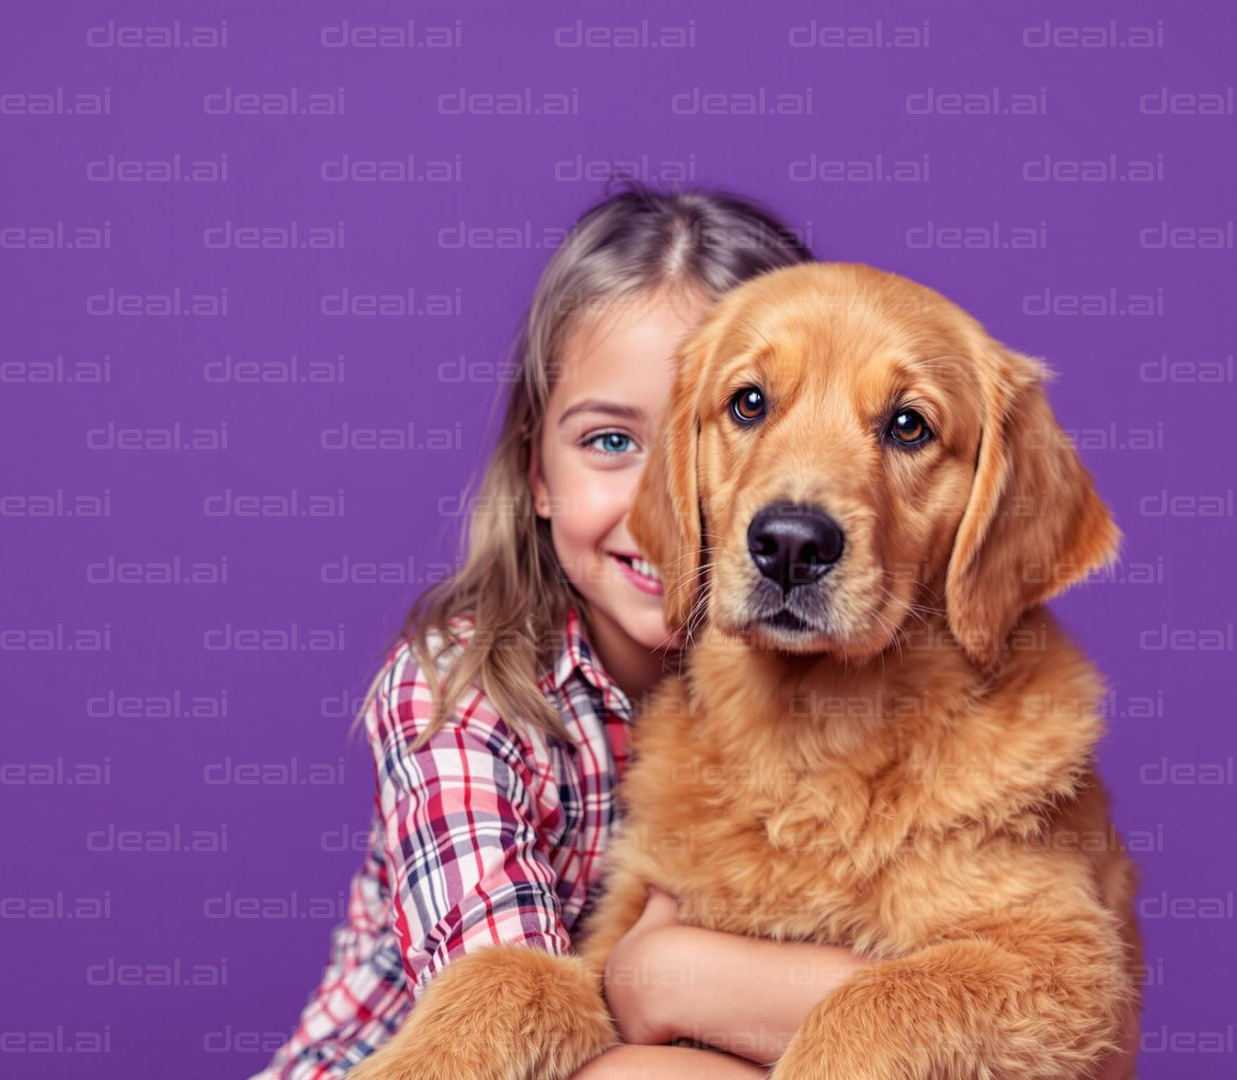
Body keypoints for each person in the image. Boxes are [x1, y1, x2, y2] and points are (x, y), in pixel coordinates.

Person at [256, 182, 1138, 1079]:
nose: (795, 518)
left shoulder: (997, 765)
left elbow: (1075, 1008)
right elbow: (590, 1023)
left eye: (907, 427)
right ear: (540, 469)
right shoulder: (481, 698)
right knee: (523, 1005)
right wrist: (608, 988)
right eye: (751, 406)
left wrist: (672, 979)